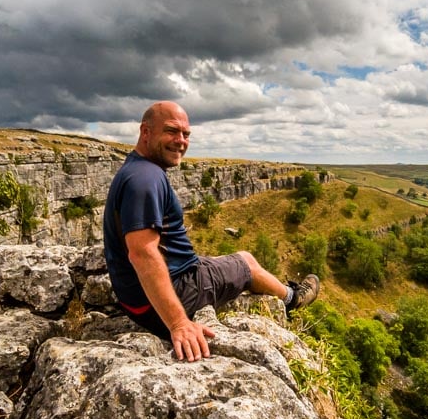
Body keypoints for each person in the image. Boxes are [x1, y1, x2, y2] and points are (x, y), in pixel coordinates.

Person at [103, 100, 319, 362]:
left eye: (186, 134)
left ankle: (285, 292)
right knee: (247, 262)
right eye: (171, 131)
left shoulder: (136, 168)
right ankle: (293, 298)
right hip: (173, 295)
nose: (181, 140)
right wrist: (179, 323)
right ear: (145, 132)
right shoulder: (146, 179)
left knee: (224, 260)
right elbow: (143, 253)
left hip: (139, 298)